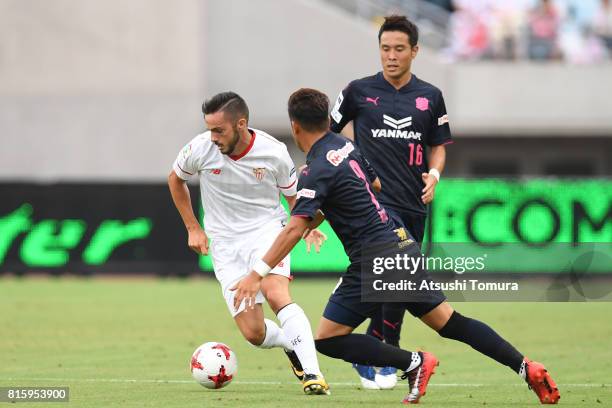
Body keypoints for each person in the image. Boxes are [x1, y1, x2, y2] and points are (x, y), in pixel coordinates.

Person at [231, 88, 560, 405]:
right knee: (450, 322)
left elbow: (294, 228)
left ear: (294, 125)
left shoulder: (315, 169)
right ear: (326, 119)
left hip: (374, 257)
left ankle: (413, 362)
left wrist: (256, 274)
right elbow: (374, 183)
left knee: (327, 339)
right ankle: (526, 367)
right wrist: (325, 211)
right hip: (400, 242)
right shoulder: (345, 146)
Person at [167, 91, 329, 395]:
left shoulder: (274, 151)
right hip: (225, 244)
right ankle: (290, 345)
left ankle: (313, 374)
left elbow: (294, 197)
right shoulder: (200, 148)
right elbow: (175, 179)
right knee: (253, 332)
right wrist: (193, 227)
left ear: (241, 124)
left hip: (267, 231)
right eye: (209, 129)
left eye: (219, 130)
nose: (212, 137)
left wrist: (304, 226)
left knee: (275, 291)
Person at [330, 15, 452, 389]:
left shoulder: (430, 96)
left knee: (397, 284)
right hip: (375, 207)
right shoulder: (357, 91)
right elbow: (327, 134)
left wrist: (434, 176)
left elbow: (438, 147)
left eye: (399, 49)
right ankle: (385, 354)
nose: (391, 56)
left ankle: (379, 350)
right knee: (393, 277)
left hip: (415, 205)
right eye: (385, 49)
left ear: (415, 51)